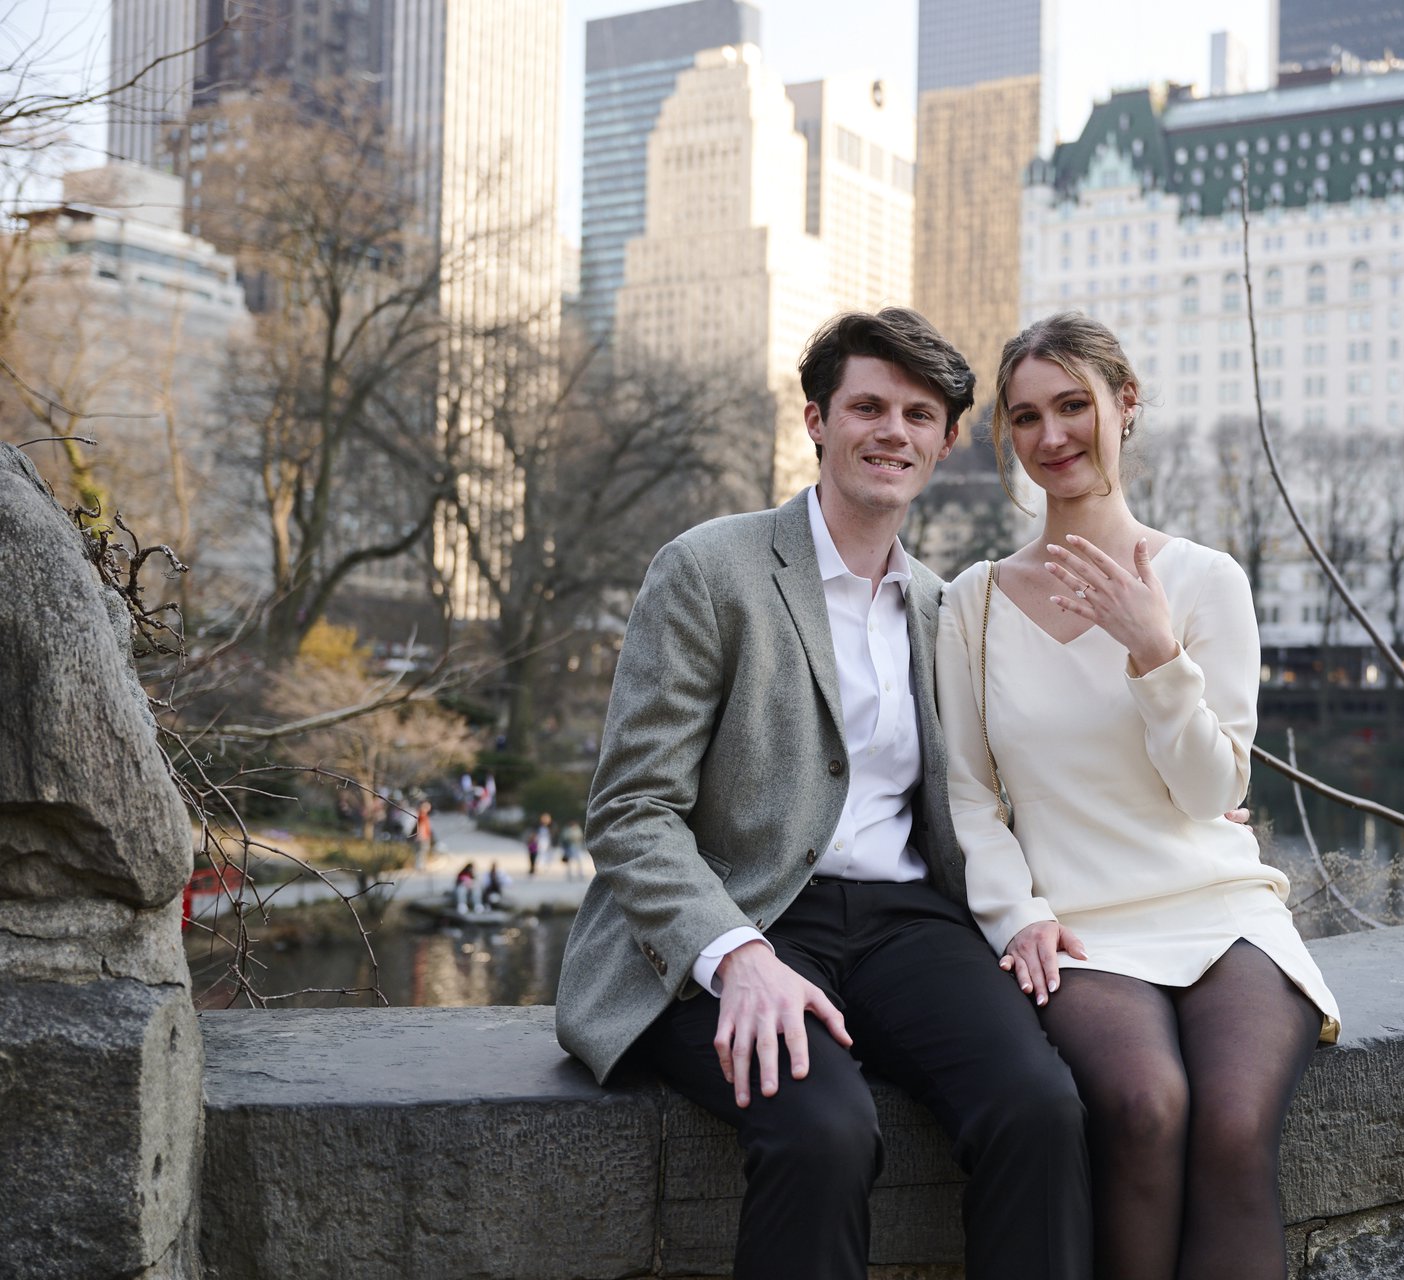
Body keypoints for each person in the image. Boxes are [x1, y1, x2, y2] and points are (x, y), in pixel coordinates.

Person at [555, 308, 1090, 1280]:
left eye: (919, 415)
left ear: (947, 440)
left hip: (908, 925)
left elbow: (1008, 781)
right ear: (816, 419)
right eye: (868, 407)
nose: (893, 432)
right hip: (743, 912)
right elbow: (632, 809)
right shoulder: (709, 570)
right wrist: (737, 956)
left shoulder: (942, 608)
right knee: (826, 1131)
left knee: (1041, 1108)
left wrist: (1173, 816)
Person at [935, 312, 1341, 1280]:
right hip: (1080, 922)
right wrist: (1018, 915)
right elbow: (967, 797)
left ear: (1125, 404)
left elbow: (1211, 790)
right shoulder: (972, 602)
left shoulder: (1205, 580)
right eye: (1026, 417)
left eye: (1073, 405)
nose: (1052, 436)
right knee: (1144, 1107)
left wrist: (1154, 650)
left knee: (1235, 1124)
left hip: (1219, 907)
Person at [412, 800, 434, 871]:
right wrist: (420, 836)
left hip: (425, 836)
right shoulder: (421, 815)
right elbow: (421, 827)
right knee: (420, 852)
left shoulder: (423, 815)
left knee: (423, 852)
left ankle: (421, 866)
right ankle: (419, 867)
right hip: (422, 837)